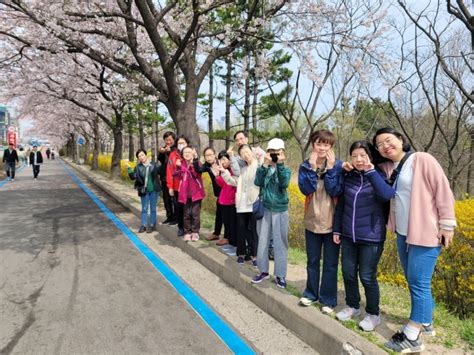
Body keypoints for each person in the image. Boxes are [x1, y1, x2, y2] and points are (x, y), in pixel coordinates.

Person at [368, 128, 456, 353]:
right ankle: (426, 322)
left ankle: (412, 335)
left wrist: (447, 225)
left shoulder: (422, 159)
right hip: (404, 233)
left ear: (401, 140)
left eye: (389, 140)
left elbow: (442, 191)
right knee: (414, 279)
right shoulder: (391, 168)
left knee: (418, 281)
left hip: (425, 232)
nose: (385, 146)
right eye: (380, 144)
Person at [332, 141, 395, 332]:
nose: (358, 159)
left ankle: (373, 314)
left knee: (367, 276)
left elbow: (387, 195)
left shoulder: (379, 175)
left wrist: (370, 171)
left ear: (370, 156)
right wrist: (337, 229)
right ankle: (353, 306)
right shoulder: (348, 176)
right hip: (349, 235)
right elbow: (341, 205)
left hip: (371, 236)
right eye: (354, 155)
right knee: (349, 273)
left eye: (362, 155)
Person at [297, 129, 342, 314]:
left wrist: (331, 168)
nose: (322, 147)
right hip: (312, 220)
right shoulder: (305, 165)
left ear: (331, 147)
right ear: (313, 144)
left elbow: (335, 190)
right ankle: (310, 293)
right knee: (312, 260)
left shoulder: (338, 166)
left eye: (326, 144)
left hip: (332, 223)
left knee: (330, 263)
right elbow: (305, 189)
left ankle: (328, 299)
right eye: (319, 143)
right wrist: (313, 167)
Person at [252, 138, 292, 288]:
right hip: (265, 208)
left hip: (280, 210)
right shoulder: (264, 168)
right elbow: (258, 182)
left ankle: (280, 275)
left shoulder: (286, 170)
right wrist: (264, 164)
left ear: (283, 153)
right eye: (271, 152)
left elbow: (284, 183)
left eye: (277, 152)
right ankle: (263, 271)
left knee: (280, 242)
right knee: (262, 241)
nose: (274, 155)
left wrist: (280, 165)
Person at [220, 144, 260, 264]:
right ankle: (241, 253)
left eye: (247, 152)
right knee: (241, 230)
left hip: (253, 202)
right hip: (241, 204)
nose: (245, 155)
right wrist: (224, 173)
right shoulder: (242, 169)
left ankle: (254, 256)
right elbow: (233, 182)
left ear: (252, 152)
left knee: (253, 231)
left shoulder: (258, 166)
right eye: (243, 154)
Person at [173, 146, 205, 242]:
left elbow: (196, 174)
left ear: (193, 153)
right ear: (182, 155)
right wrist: (178, 167)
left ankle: (195, 232)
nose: (187, 154)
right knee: (186, 214)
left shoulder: (197, 163)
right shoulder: (181, 163)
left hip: (196, 193)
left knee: (195, 214)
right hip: (185, 193)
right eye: (185, 152)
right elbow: (175, 175)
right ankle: (187, 232)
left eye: (189, 152)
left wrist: (192, 165)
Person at [127, 149, 161, 233]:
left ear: (145, 155)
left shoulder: (154, 165)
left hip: (154, 190)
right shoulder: (138, 167)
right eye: (139, 156)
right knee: (144, 208)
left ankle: (152, 225)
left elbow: (160, 172)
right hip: (144, 190)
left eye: (142, 155)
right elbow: (133, 177)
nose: (141, 157)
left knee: (153, 208)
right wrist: (129, 169)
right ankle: (143, 225)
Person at [215, 151, 238, 253]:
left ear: (230, 160)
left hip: (232, 201)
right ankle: (228, 240)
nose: (223, 162)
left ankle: (233, 243)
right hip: (223, 200)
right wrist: (217, 176)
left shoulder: (235, 170)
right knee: (227, 222)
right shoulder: (223, 170)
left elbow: (234, 184)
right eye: (221, 160)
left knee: (233, 223)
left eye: (224, 159)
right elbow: (222, 184)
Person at [167, 135, 189, 236]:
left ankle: (189, 228)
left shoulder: (190, 153)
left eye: (183, 143)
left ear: (187, 144)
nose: (181, 145)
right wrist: (170, 186)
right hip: (176, 187)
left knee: (189, 209)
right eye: (179, 143)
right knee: (179, 208)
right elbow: (169, 171)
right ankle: (181, 227)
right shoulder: (172, 155)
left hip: (189, 187)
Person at [200, 147, 223, 241]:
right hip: (219, 193)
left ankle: (227, 236)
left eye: (210, 155)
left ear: (215, 155)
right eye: (206, 155)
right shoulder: (207, 166)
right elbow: (198, 169)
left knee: (226, 215)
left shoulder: (221, 162)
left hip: (228, 192)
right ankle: (216, 233)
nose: (209, 157)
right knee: (219, 213)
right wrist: (195, 158)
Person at [158, 131, 177, 225]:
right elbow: (160, 160)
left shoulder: (176, 149)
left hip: (173, 178)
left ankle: (176, 218)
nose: (168, 141)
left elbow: (174, 161)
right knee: (166, 199)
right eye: (166, 140)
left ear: (173, 139)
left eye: (170, 139)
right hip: (164, 176)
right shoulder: (164, 148)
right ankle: (169, 216)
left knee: (174, 199)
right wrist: (161, 153)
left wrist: (169, 152)